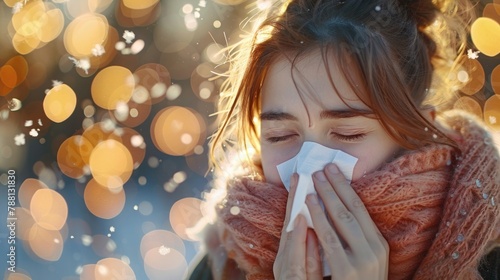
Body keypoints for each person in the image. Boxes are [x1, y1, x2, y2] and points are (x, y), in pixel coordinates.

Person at [188, 0, 500, 279]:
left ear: (421, 135)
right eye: (280, 135)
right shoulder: (223, 262)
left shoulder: (492, 260)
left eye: (348, 133)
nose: (307, 168)